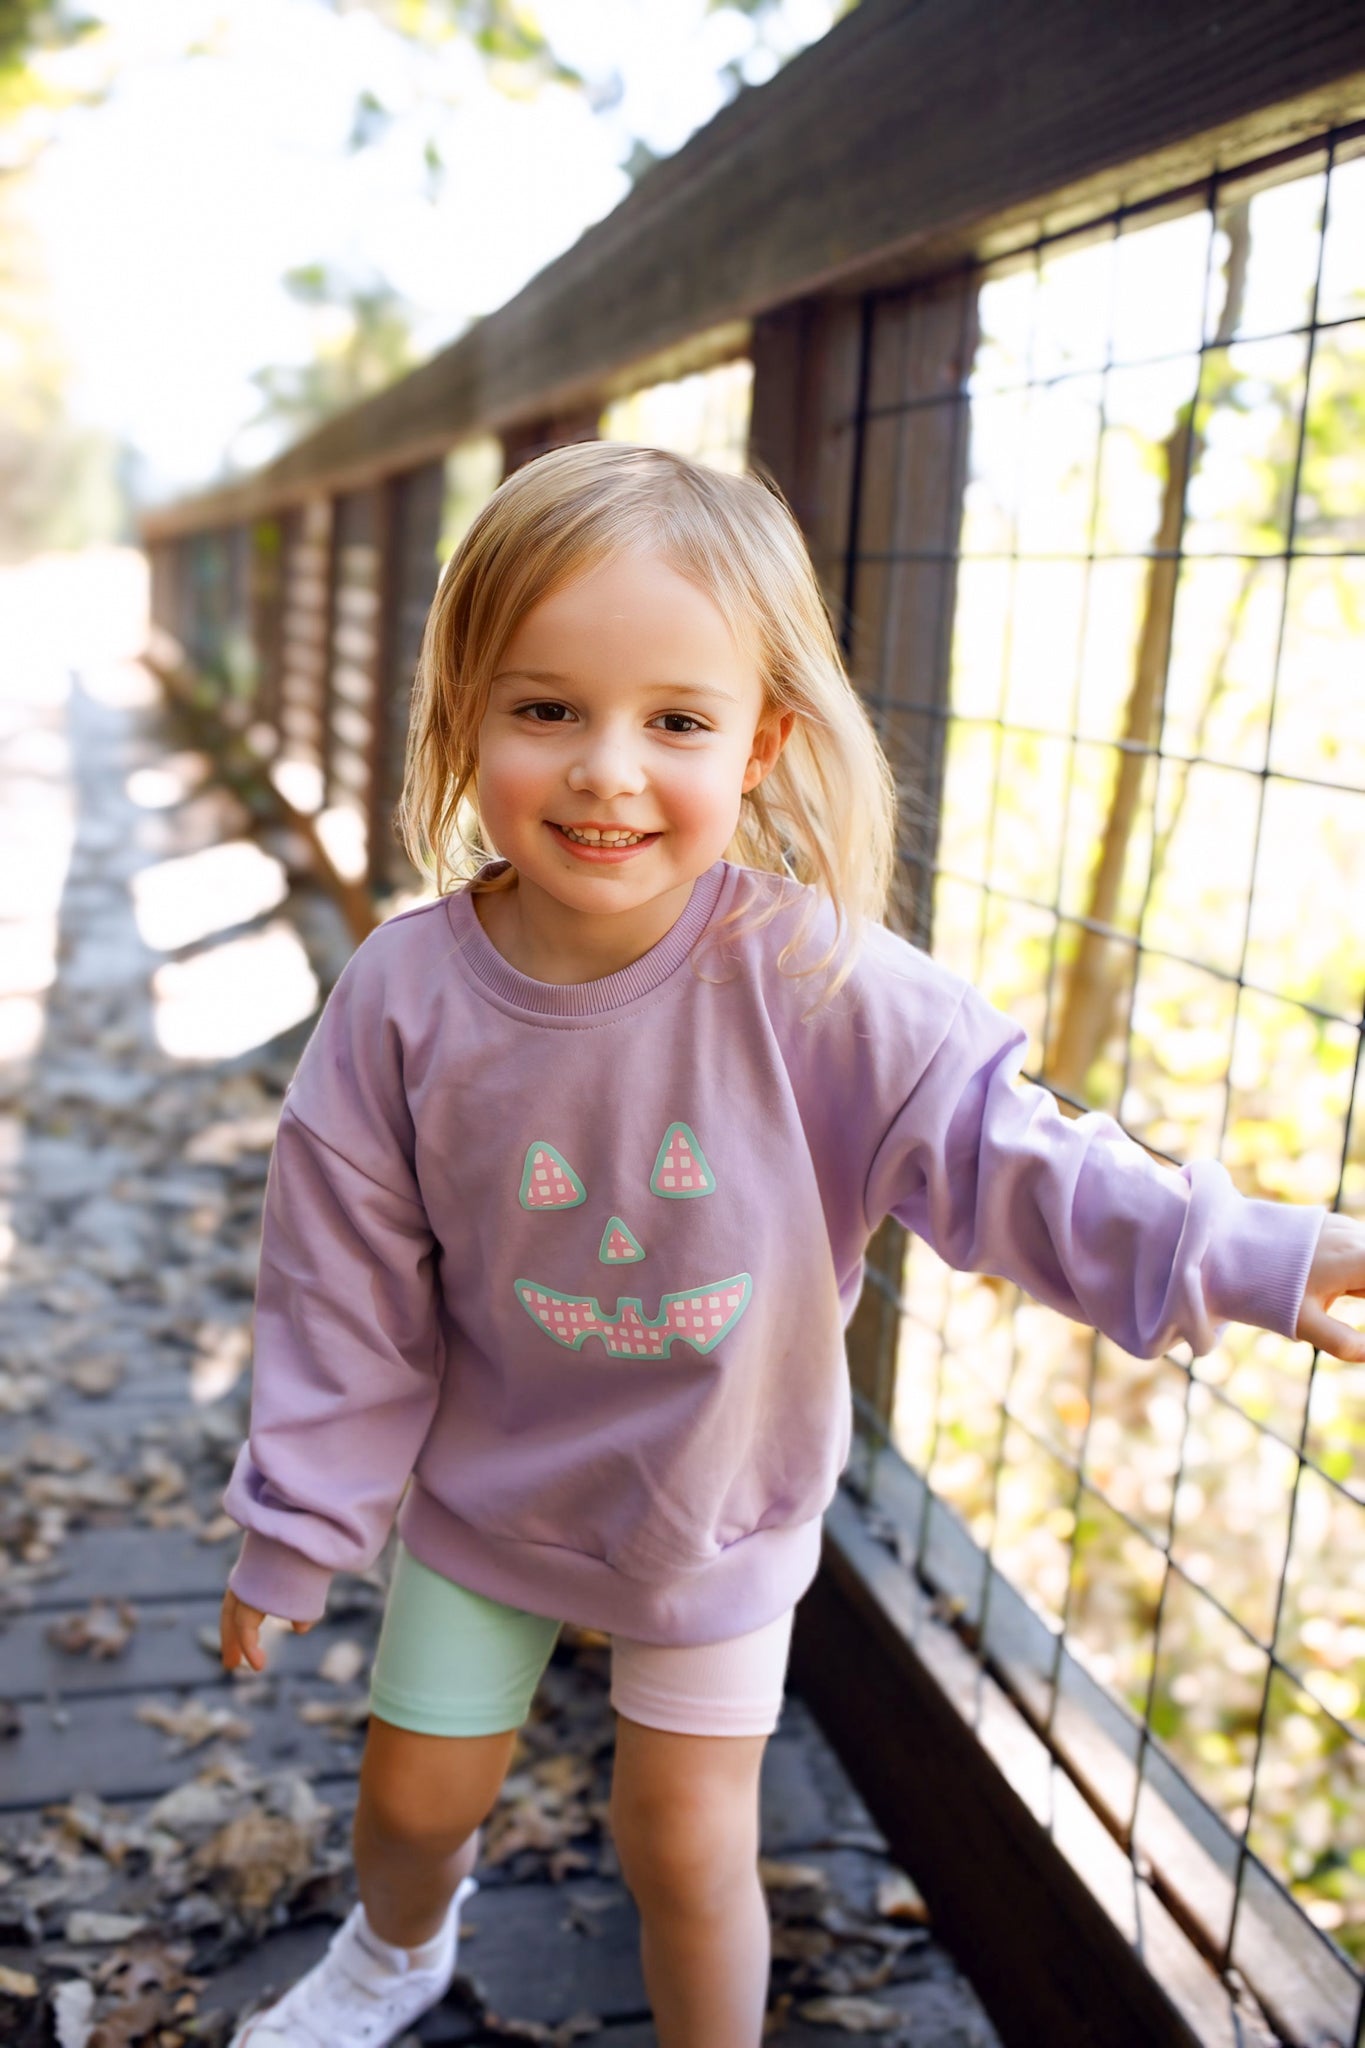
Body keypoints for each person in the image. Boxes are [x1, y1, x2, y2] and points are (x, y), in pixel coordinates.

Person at [218, 441, 1365, 2048]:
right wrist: (300, 1515)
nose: (608, 770)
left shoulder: (816, 983)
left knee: (682, 1847)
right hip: (489, 1487)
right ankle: (397, 1952)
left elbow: (1009, 1159)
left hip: (711, 1502)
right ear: (462, 710)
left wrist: (1247, 1253)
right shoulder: (403, 999)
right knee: (413, 1799)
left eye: (673, 722)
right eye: (546, 709)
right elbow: (339, 1281)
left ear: (757, 742)